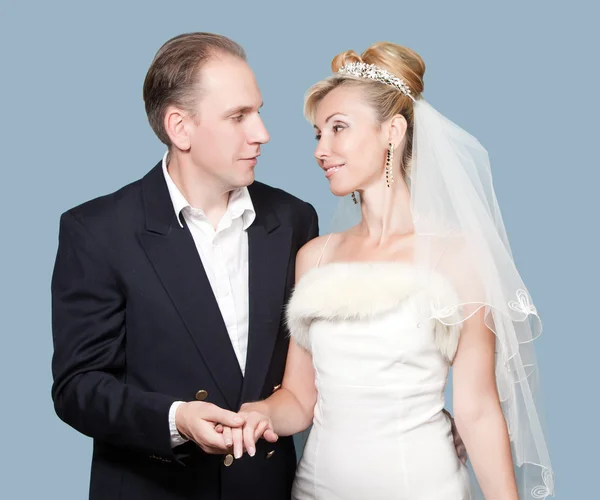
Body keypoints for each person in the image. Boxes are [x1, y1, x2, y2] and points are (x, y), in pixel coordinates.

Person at [228, 42, 554, 499]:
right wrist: (259, 412)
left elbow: (477, 409)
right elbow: (300, 400)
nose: (322, 150)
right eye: (318, 134)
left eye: (338, 128)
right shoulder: (315, 257)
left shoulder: (456, 258)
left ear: (393, 131)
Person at [50, 32, 318, 500]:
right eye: (238, 116)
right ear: (180, 127)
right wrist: (175, 420)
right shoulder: (97, 230)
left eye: (257, 111)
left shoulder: (295, 219)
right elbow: (78, 387)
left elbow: (319, 363)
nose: (262, 132)